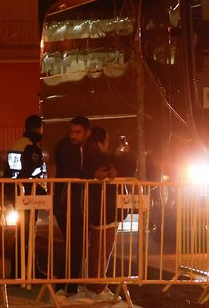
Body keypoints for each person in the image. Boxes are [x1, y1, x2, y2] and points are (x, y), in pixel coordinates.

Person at [84, 127, 135, 303]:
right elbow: (125, 169)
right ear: (100, 143)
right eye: (106, 142)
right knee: (102, 249)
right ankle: (97, 286)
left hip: (106, 210)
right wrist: (123, 156)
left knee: (101, 249)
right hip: (104, 210)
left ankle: (97, 285)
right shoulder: (98, 158)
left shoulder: (95, 157)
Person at [53, 116, 91, 299]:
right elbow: (72, 172)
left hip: (76, 204)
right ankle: (68, 287)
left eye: (77, 132)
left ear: (87, 132)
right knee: (75, 245)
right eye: (71, 131)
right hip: (66, 203)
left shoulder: (85, 148)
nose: (73, 135)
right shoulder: (66, 147)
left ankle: (64, 284)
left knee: (75, 244)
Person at [4, 114, 47, 279]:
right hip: (27, 193)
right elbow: (31, 172)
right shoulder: (31, 147)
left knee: (23, 231)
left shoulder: (18, 143)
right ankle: (25, 270)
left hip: (16, 191)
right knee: (27, 232)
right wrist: (43, 191)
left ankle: (19, 270)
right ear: (38, 128)